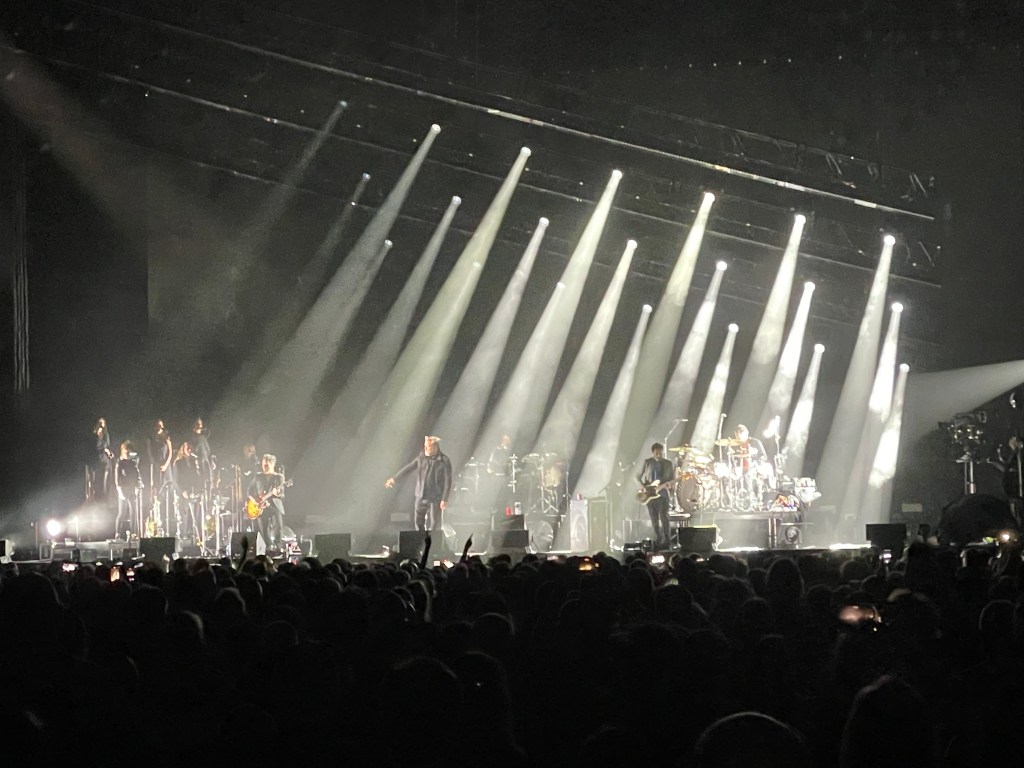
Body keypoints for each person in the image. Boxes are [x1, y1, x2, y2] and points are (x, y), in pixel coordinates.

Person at [385, 436, 453, 532]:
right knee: (418, 520)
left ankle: (432, 539)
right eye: (425, 446)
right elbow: (409, 468)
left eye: (428, 446)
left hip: (435, 496)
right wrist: (394, 479)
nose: (425, 448)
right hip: (421, 495)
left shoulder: (444, 460)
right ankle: (420, 538)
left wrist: (444, 499)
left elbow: (448, 481)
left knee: (434, 522)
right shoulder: (421, 457)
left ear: (435, 446)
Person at [637, 442, 675, 549]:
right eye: (656, 453)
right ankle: (658, 539)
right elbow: (637, 476)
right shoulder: (647, 462)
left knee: (664, 516)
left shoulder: (668, 463)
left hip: (663, 494)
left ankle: (667, 540)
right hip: (649, 495)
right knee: (654, 518)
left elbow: (672, 479)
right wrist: (642, 486)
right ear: (653, 452)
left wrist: (669, 486)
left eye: (660, 453)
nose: (659, 455)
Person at [246, 453, 286, 553]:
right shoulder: (258, 477)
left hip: (275, 505)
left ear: (272, 464)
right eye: (263, 465)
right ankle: (267, 548)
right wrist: (254, 500)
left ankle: (277, 547)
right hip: (260, 507)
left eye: (267, 465)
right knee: (263, 528)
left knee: (278, 526)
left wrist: (277, 493)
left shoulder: (279, 477)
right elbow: (249, 491)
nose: (265, 467)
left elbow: (282, 493)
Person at [114, 440, 143, 539]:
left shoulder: (132, 463)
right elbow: (117, 478)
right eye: (125, 451)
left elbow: (136, 475)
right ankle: (117, 533)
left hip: (132, 489)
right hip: (123, 489)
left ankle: (133, 532)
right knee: (121, 513)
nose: (127, 453)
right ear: (122, 451)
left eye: (128, 451)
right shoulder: (119, 463)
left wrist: (137, 487)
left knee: (133, 512)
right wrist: (119, 490)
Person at [90, 417, 114, 501]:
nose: (102, 425)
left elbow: (107, 445)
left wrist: (109, 452)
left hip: (105, 459)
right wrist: (105, 449)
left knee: (106, 479)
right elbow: (98, 446)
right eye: (100, 423)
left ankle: (105, 496)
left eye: (103, 423)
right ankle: (98, 496)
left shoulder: (106, 434)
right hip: (98, 459)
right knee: (98, 478)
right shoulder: (95, 435)